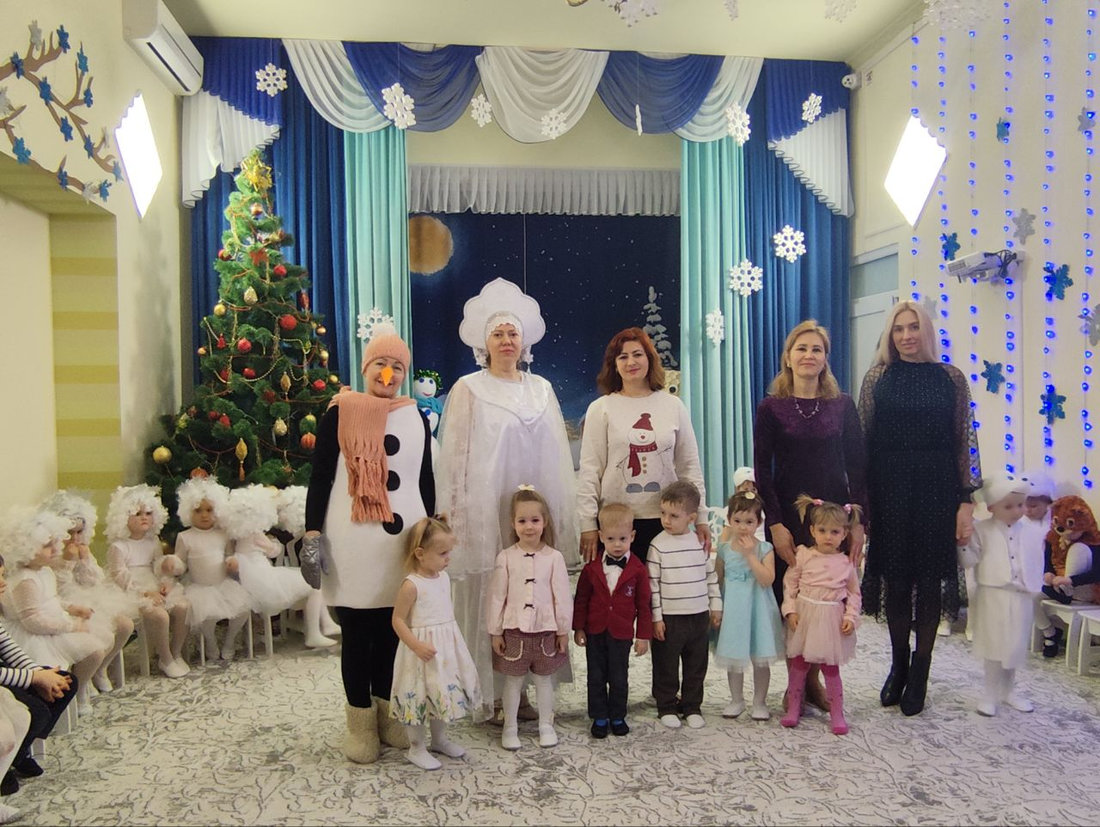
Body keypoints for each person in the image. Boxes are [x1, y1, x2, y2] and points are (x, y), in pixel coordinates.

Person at [436, 278, 578, 724]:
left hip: (531, 518)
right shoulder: (468, 389)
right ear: (485, 342)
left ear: (524, 340)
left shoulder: (542, 389)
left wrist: (556, 518)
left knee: (530, 594)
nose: (506, 340)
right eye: (497, 333)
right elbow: (455, 458)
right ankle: (491, 694)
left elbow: (556, 457)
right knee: (493, 597)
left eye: (512, 333)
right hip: (485, 513)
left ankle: (527, 687)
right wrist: (455, 514)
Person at [304, 326, 434, 764]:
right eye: (381, 363)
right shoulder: (339, 412)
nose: (388, 374)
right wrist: (312, 532)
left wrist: (431, 530)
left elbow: (424, 479)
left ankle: (388, 715)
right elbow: (321, 477)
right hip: (353, 542)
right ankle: (360, 724)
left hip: (402, 546)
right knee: (358, 635)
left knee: (392, 633)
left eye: (397, 366)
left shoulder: (415, 417)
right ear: (366, 368)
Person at [859, 300, 982, 716]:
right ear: (890, 335)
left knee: (929, 581)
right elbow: (863, 442)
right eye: (898, 329)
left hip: (937, 488)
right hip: (889, 487)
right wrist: (862, 502)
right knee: (895, 580)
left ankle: (921, 671)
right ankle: (899, 665)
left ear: (926, 331)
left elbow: (965, 442)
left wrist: (966, 500)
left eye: (913, 327)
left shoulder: (951, 377)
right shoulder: (878, 377)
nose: (906, 335)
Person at [578, 327, 709, 566]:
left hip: (667, 521)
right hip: (616, 526)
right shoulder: (600, 408)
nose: (631, 362)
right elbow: (590, 471)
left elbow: (689, 466)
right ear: (614, 364)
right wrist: (587, 523)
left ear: (649, 358)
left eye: (637, 354)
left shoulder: (673, 406)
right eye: (623, 357)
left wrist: (701, 517)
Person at [389, 517, 481, 770]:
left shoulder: (443, 577)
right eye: (442, 553)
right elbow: (397, 620)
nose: (448, 558)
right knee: (418, 697)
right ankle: (416, 747)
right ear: (420, 554)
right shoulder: (411, 585)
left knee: (440, 693)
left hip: (444, 649)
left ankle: (439, 739)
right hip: (419, 652)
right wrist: (416, 645)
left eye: (449, 552)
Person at [486, 487, 572, 751]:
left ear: (545, 522)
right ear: (513, 523)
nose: (529, 526)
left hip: (546, 631)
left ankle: (546, 725)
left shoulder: (554, 557)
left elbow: (562, 597)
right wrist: (495, 631)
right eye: (522, 520)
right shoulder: (506, 557)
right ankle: (510, 727)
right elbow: (497, 597)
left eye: (535, 520)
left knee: (545, 681)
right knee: (513, 682)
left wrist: (563, 630)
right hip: (514, 631)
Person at [958, 473, 1045, 717]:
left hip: (1020, 596)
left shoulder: (1030, 531)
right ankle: (990, 693)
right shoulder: (982, 530)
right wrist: (963, 544)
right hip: (993, 595)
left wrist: (1033, 587)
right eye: (1009, 506)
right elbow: (970, 560)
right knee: (994, 644)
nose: (1017, 511)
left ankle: (1008, 691)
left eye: (1020, 505)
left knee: (1015, 645)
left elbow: (1036, 560)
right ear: (992, 507)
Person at [780, 495, 863, 735]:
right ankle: (794, 707)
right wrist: (790, 610)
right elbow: (790, 584)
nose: (828, 536)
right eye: (823, 531)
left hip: (831, 620)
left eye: (835, 532)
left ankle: (837, 713)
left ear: (844, 534)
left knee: (830, 667)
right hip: (805, 616)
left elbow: (854, 594)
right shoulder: (803, 555)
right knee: (799, 664)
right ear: (812, 531)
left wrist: (850, 617)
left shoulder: (846, 563)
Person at [41, 490, 137, 693]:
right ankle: (83, 680)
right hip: (65, 605)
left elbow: (96, 580)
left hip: (90, 599)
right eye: (69, 533)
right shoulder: (49, 555)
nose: (75, 538)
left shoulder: (82, 548)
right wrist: (68, 562)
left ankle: (100, 669)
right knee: (98, 630)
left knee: (125, 625)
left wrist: (85, 560)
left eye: (79, 532)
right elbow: (59, 589)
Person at [0, 551, 75, 803]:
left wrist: (41, 674)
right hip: (4, 680)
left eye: (3, 576)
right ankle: (8, 762)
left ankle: (20, 751)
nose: (3, 584)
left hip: (10, 674)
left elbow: (8, 649)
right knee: (36, 712)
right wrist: (33, 678)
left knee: (66, 681)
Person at [572, 502, 652, 738]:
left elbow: (644, 605)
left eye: (623, 539)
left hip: (622, 632)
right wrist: (578, 628)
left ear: (632, 536)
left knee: (619, 677)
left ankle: (617, 715)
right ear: (600, 537)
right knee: (595, 676)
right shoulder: (591, 568)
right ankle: (599, 716)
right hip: (595, 631)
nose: (617, 545)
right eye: (610, 539)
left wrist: (643, 636)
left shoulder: (638, 569)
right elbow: (581, 599)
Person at [222, 485, 336, 649]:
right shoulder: (256, 534)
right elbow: (274, 552)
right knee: (314, 584)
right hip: (263, 579)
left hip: (249, 578)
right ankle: (315, 632)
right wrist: (274, 543)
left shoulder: (238, 536)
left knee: (312, 584)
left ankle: (326, 624)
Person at [647, 481, 721, 730]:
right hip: (670, 618)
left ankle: (692, 706)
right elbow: (653, 585)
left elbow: (710, 576)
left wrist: (716, 606)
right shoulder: (657, 545)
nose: (666, 520)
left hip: (698, 616)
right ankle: (666, 706)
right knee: (666, 665)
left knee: (696, 665)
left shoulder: (699, 542)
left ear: (691, 518)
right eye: (663, 513)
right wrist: (656, 618)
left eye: (674, 516)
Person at [105, 484, 191, 679]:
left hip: (152, 583)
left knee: (183, 607)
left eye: (148, 513)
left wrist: (164, 583)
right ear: (123, 518)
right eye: (137, 513)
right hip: (130, 591)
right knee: (160, 615)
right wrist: (144, 592)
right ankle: (165, 658)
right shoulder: (119, 546)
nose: (144, 517)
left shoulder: (152, 541)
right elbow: (119, 575)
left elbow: (157, 565)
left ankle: (176, 651)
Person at [714, 491, 784, 721]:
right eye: (737, 521)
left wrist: (750, 555)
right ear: (729, 520)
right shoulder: (724, 549)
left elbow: (767, 579)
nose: (743, 527)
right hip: (733, 608)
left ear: (758, 522)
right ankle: (736, 700)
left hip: (758, 609)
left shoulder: (765, 549)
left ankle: (759, 702)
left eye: (749, 522)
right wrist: (715, 607)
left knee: (760, 656)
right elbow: (717, 579)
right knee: (734, 656)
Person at [173, 478, 252, 663]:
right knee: (205, 615)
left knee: (243, 609)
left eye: (209, 510)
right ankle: (210, 642)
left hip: (223, 584)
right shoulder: (185, 537)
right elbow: (180, 562)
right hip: (200, 587)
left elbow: (229, 555)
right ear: (188, 512)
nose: (204, 515)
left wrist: (232, 562)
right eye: (198, 510)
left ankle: (230, 641)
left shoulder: (222, 534)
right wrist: (173, 564)